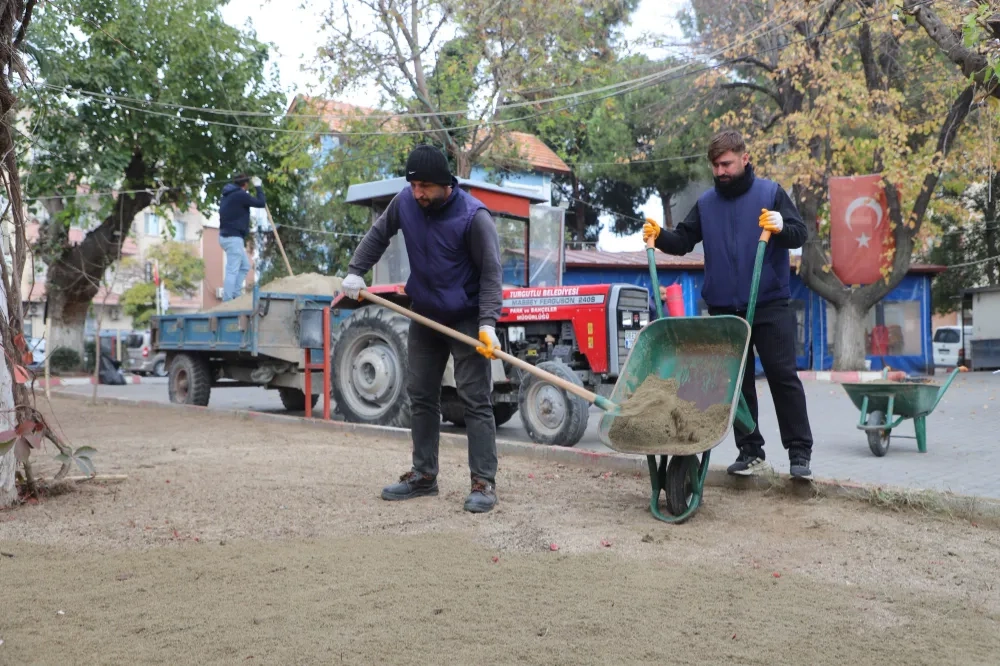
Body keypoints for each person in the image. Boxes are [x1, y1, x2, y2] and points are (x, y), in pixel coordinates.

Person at [642, 129, 815, 479]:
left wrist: (781, 225)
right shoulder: (707, 204)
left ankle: (799, 452)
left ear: (744, 158)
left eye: (726, 164)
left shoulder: (770, 193)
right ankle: (750, 452)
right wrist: (659, 237)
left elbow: (800, 233)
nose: (720, 171)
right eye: (715, 166)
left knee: (783, 377)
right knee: (737, 384)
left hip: (769, 302)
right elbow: (683, 241)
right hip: (724, 309)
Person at [341, 145, 503, 513]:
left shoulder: (474, 217)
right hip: (426, 313)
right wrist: (356, 270)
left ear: (446, 184)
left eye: (425, 186)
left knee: (475, 398)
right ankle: (424, 475)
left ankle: (483, 483)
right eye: (413, 185)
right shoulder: (405, 202)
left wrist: (488, 323)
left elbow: (492, 273)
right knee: (421, 395)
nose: (418, 193)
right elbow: (379, 234)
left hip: (466, 316)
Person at [218, 173, 266, 301]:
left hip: (226, 236)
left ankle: (235, 294)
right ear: (245, 184)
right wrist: (258, 187)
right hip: (233, 237)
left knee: (244, 266)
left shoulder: (227, 196)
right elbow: (261, 203)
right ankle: (228, 300)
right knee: (232, 270)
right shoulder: (240, 195)